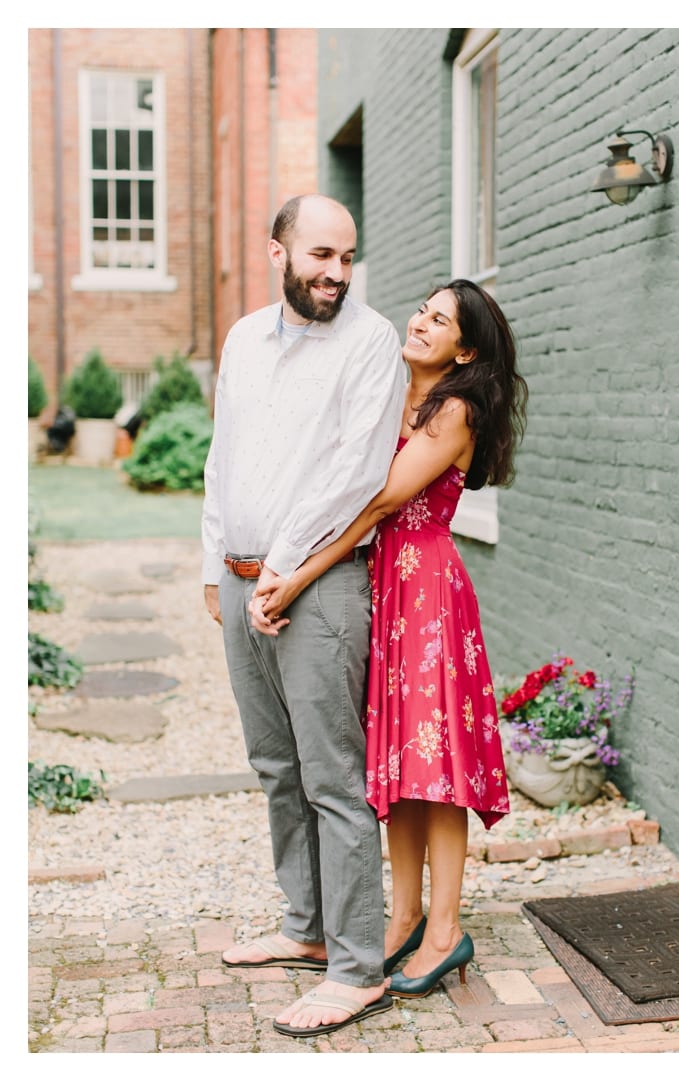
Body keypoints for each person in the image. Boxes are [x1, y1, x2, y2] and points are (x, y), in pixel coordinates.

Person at [251, 278, 527, 1003]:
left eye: (442, 320)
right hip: (388, 586)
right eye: (423, 310)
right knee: (402, 767)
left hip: (427, 588)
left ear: (465, 348)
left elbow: (378, 501)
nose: (422, 322)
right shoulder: (395, 398)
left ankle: (444, 930)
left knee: (437, 773)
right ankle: (402, 914)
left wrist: (299, 572)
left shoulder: (456, 409)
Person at [202, 194, 408, 1036]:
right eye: (320, 254)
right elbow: (226, 454)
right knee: (274, 764)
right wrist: (215, 565)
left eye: (347, 257)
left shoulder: (371, 341)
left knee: (332, 775)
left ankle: (359, 966)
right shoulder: (245, 337)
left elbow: (353, 474)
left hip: (316, 587)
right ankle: (307, 930)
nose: (336, 272)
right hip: (240, 577)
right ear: (277, 250)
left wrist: (281, 570)